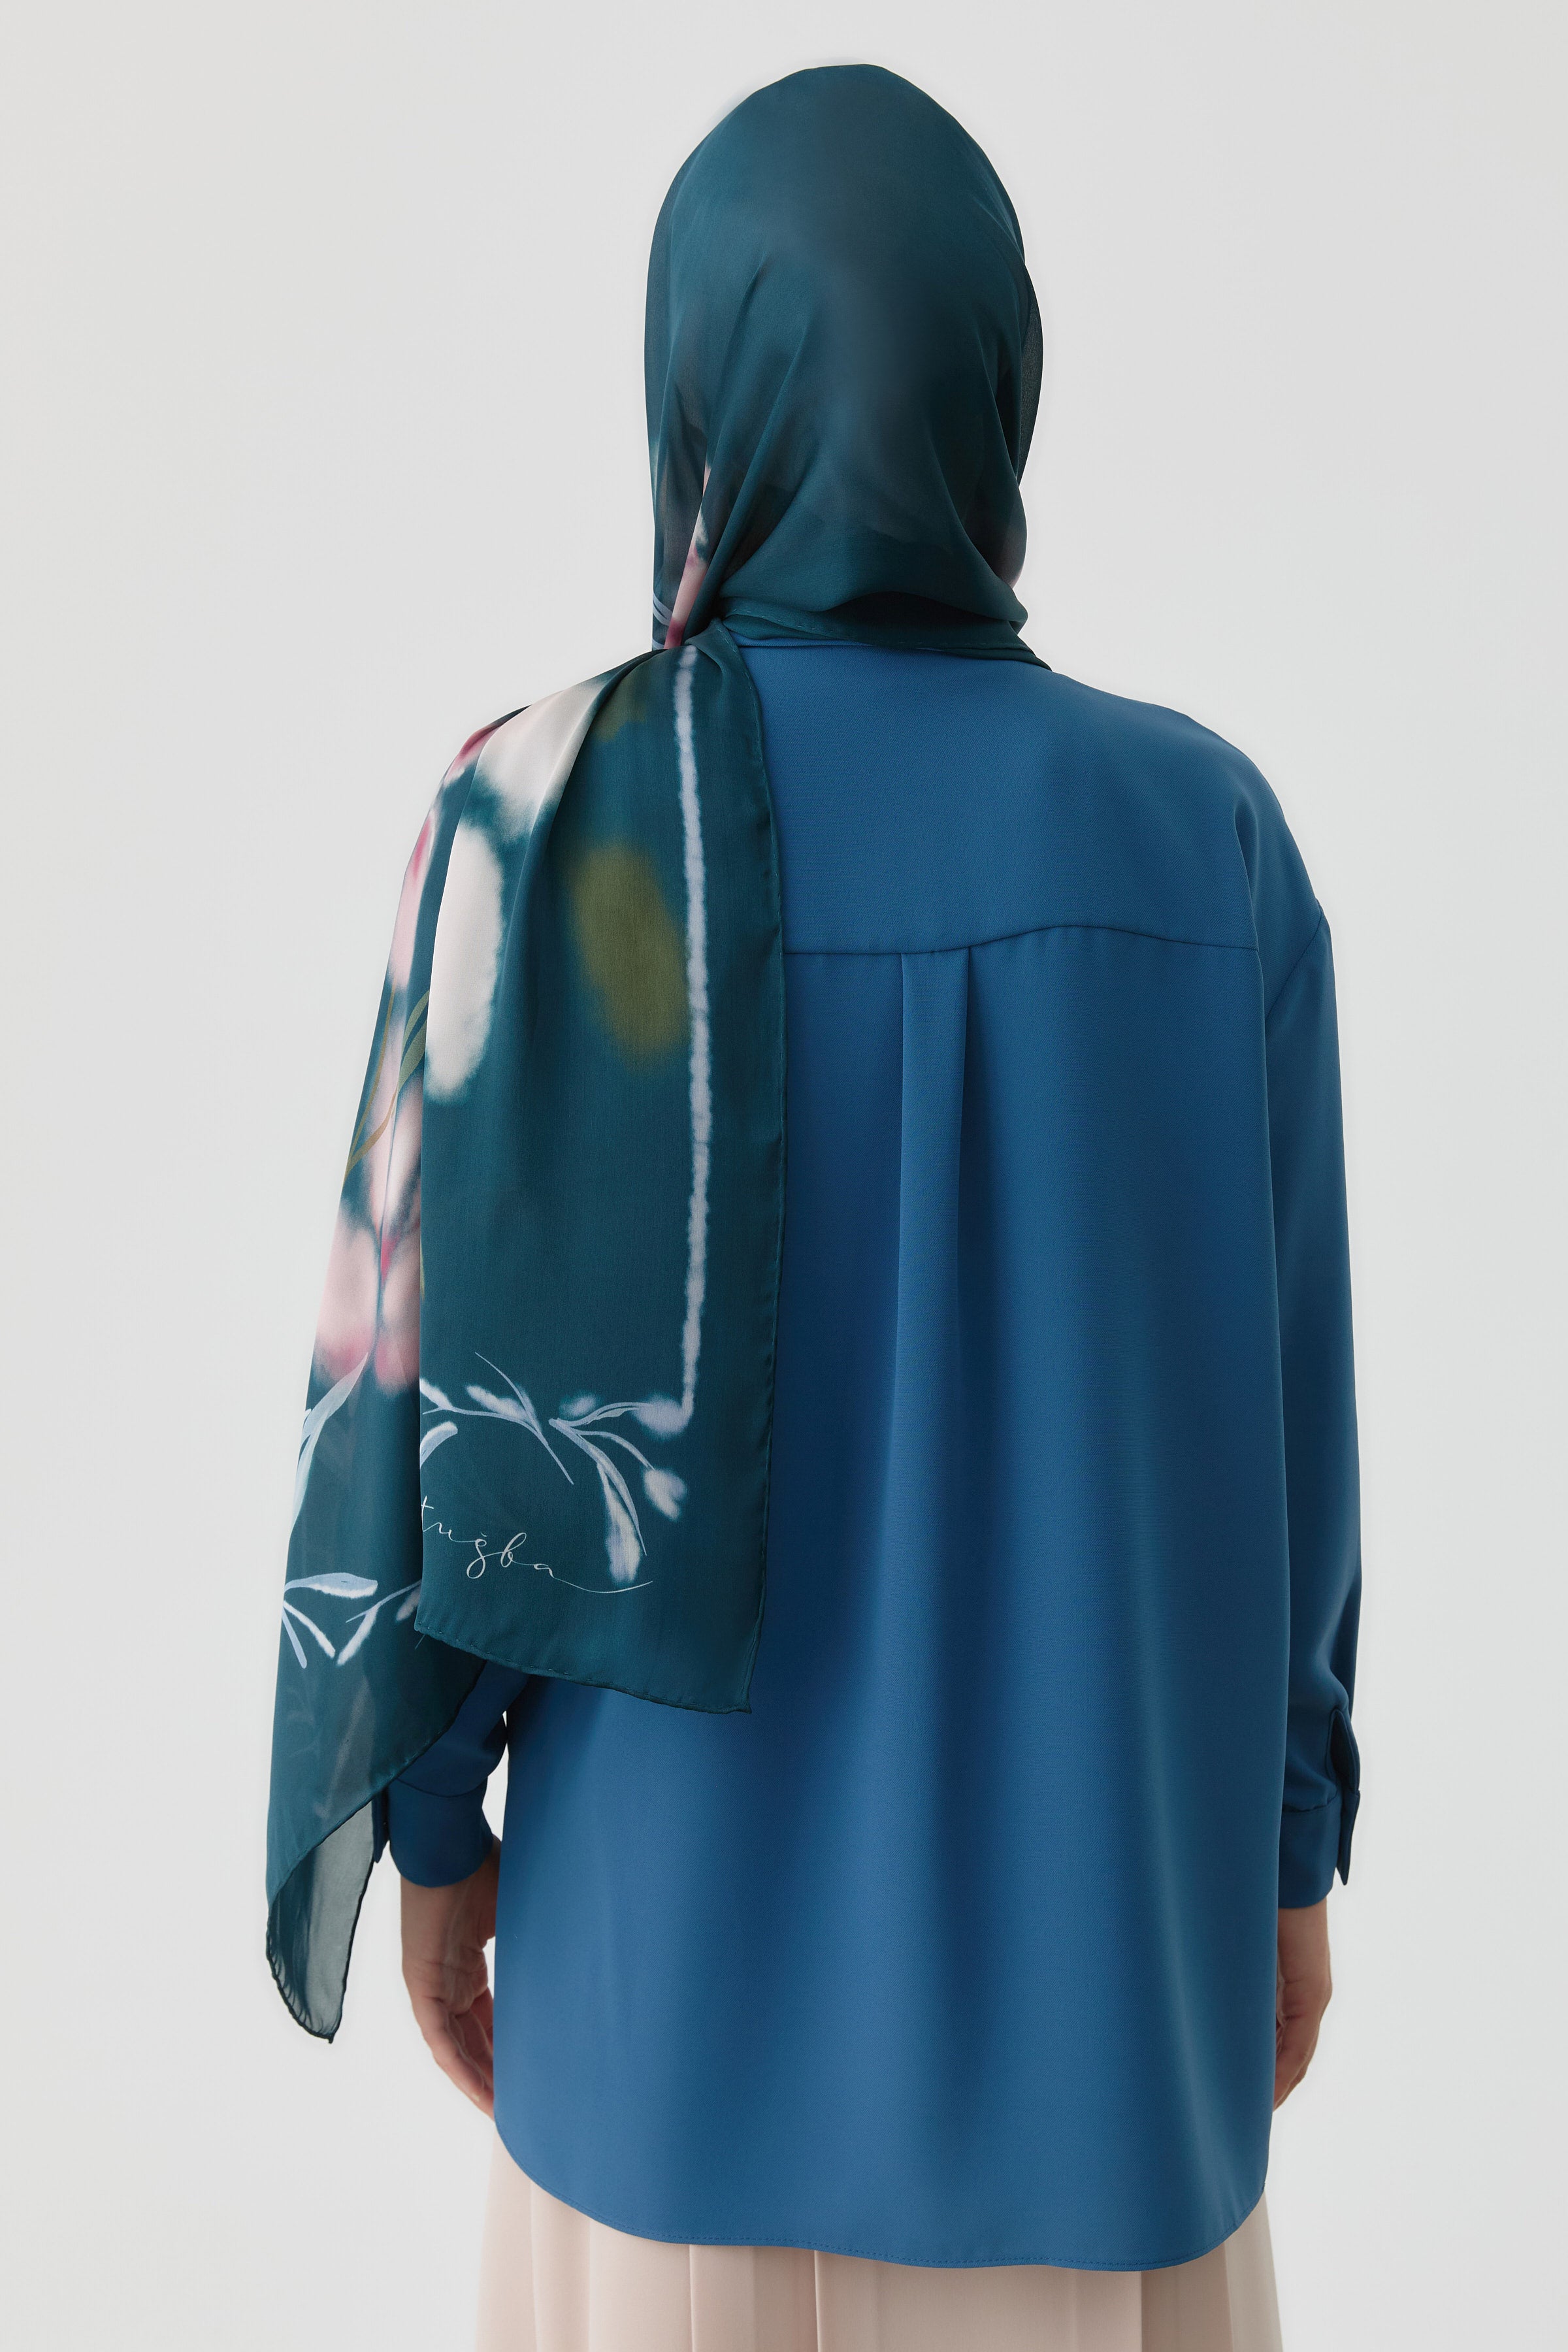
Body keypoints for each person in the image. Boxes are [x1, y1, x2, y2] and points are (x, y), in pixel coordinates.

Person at [268, 63, 1360, 2352]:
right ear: (1001, 382)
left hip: (661, 2042)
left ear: (692, 395)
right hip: (1103, 2044)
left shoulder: (544, 826)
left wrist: (438, 1844)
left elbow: (432, 1408)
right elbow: (1291, 1440)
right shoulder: (1214, 846)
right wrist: (1287, 1858)